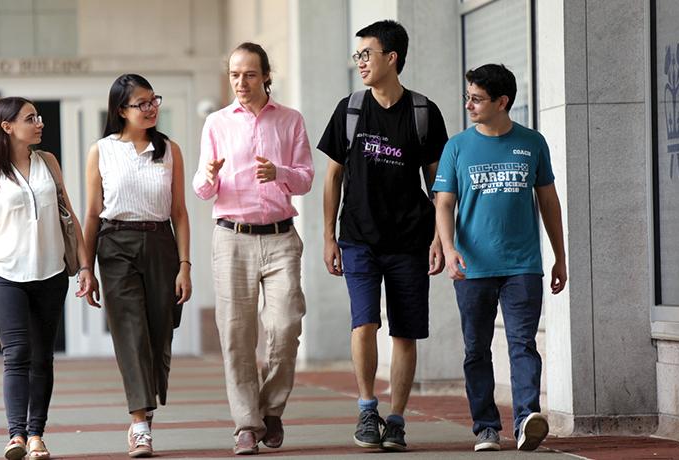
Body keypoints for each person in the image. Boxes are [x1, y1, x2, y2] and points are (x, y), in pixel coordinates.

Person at [318, 19, 448, 452]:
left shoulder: (423, 113)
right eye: (357, 55)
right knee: (364, 322)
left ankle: (396, 419)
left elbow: (439, 185)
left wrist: (439, 239)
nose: (360, 63)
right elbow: (332, 178)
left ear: (391, 58)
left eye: (366, 54)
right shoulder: (350, 109)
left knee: (405, 332)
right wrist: (327, 236)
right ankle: (367, 408)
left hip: (410, 240)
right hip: (358, 237)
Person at [0, 97, 98, 460]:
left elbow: (69, 215)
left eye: (38, 117)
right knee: (17, 354)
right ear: (7, 127)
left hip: (51, 274)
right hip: (5, 275)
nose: (39, 123)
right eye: (31, 118)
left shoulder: (49, 163)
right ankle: (16, 434)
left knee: (43, 357)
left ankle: (36, 436)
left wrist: (86, 266)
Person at [433, 63, 567, 452]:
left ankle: (526, 419)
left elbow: (548, 201)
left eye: (476, 98)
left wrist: (559, 256)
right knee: (476, 347)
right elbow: (444, 203)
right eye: (468, 97)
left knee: (522, 343)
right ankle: (486, 427)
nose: (469, 105)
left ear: (502, 102)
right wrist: (450, 247)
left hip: (523, 265)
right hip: (473, 267)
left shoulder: (532, 143)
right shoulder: (457, 146)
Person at [193, 42, 313, 455]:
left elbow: (305, 179)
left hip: (281, 238)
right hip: (232, 237)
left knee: (285, 327)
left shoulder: (291, 121)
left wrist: (277, 172)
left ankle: (271, 408)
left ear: (265, 75)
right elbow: (203, 189)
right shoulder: (216, 123)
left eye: (248, 74)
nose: (240, 83)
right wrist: (208, 175)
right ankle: (247, 423)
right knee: (236, 335)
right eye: (234, 75)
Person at [81, 74, 192, 458]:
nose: (151, 108)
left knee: (160, 334)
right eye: (141, 103)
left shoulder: (170, 150)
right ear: (120, 111)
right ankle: (139, 424)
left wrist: (184, 265)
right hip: (115, 246)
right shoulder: (102, 150)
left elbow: (179, 212)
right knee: (130, 333)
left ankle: (145, 411)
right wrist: (85, 267)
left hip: (161, 244)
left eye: (153, 101)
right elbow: (92, 214)